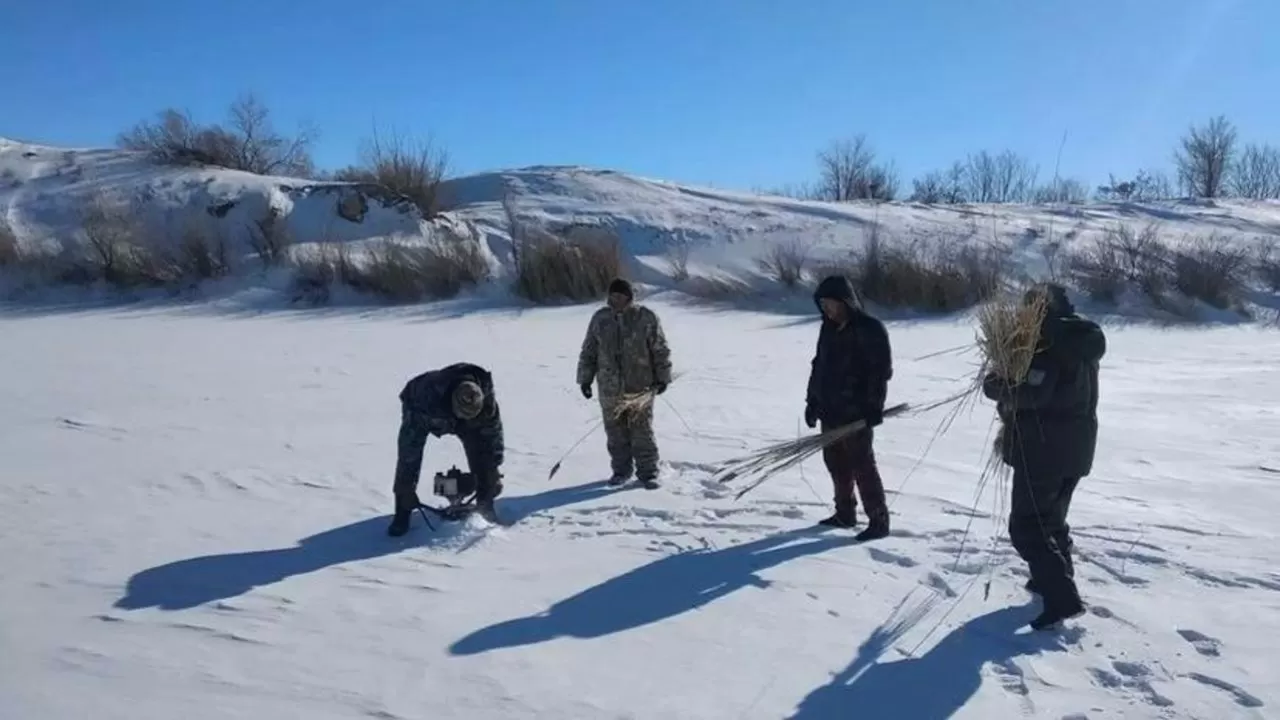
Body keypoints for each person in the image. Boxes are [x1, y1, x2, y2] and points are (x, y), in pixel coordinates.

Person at [982, 282, 1106, 631]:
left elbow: (1033, 395)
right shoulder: (1078, 338)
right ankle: (1049, 579)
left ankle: (1062, 598)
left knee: (1027, 527)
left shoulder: (1048, 345)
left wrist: (996, 386)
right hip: (1075, 448)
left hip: (1044, 449)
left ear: (1038, 311)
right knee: (1050, 520)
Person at [805, 275, 893, 541]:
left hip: (856, 412)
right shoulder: (828, 329)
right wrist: (812, 401)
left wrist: (873, 407)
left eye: (830, 303)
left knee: (862, 465)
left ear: (845, 301)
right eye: (822, 304)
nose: (827, 309)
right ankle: (845, 513)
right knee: (835, 463)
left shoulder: (870, 329)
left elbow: (880, 373)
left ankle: (878, 520)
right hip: (830, 410)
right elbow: (818, 365)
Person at [576, 278, 673, 489]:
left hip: (640, 386)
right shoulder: (600, 319)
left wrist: (663, 376)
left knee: (642, 430)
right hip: (609, 387)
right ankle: (621, 471)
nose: (616, 299)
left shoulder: (645, 318)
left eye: (621, 296)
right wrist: (585, 379)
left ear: (629, 297)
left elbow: (660, 349)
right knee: (615, 432)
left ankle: (648, 472)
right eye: (613, 296)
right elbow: (589, 350)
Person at [388, 362, 505, 536]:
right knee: (409, 461)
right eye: (463, 415)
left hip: (456, 413)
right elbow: (409, 451)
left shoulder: (485, 397)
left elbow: (492, 433)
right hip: (424, 409)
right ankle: (402, 513)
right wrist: (405, 489)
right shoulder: (424, 400)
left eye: (471, 415)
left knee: (482, 453)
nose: (466, 419)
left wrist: (493, 470)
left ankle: (485, 508)